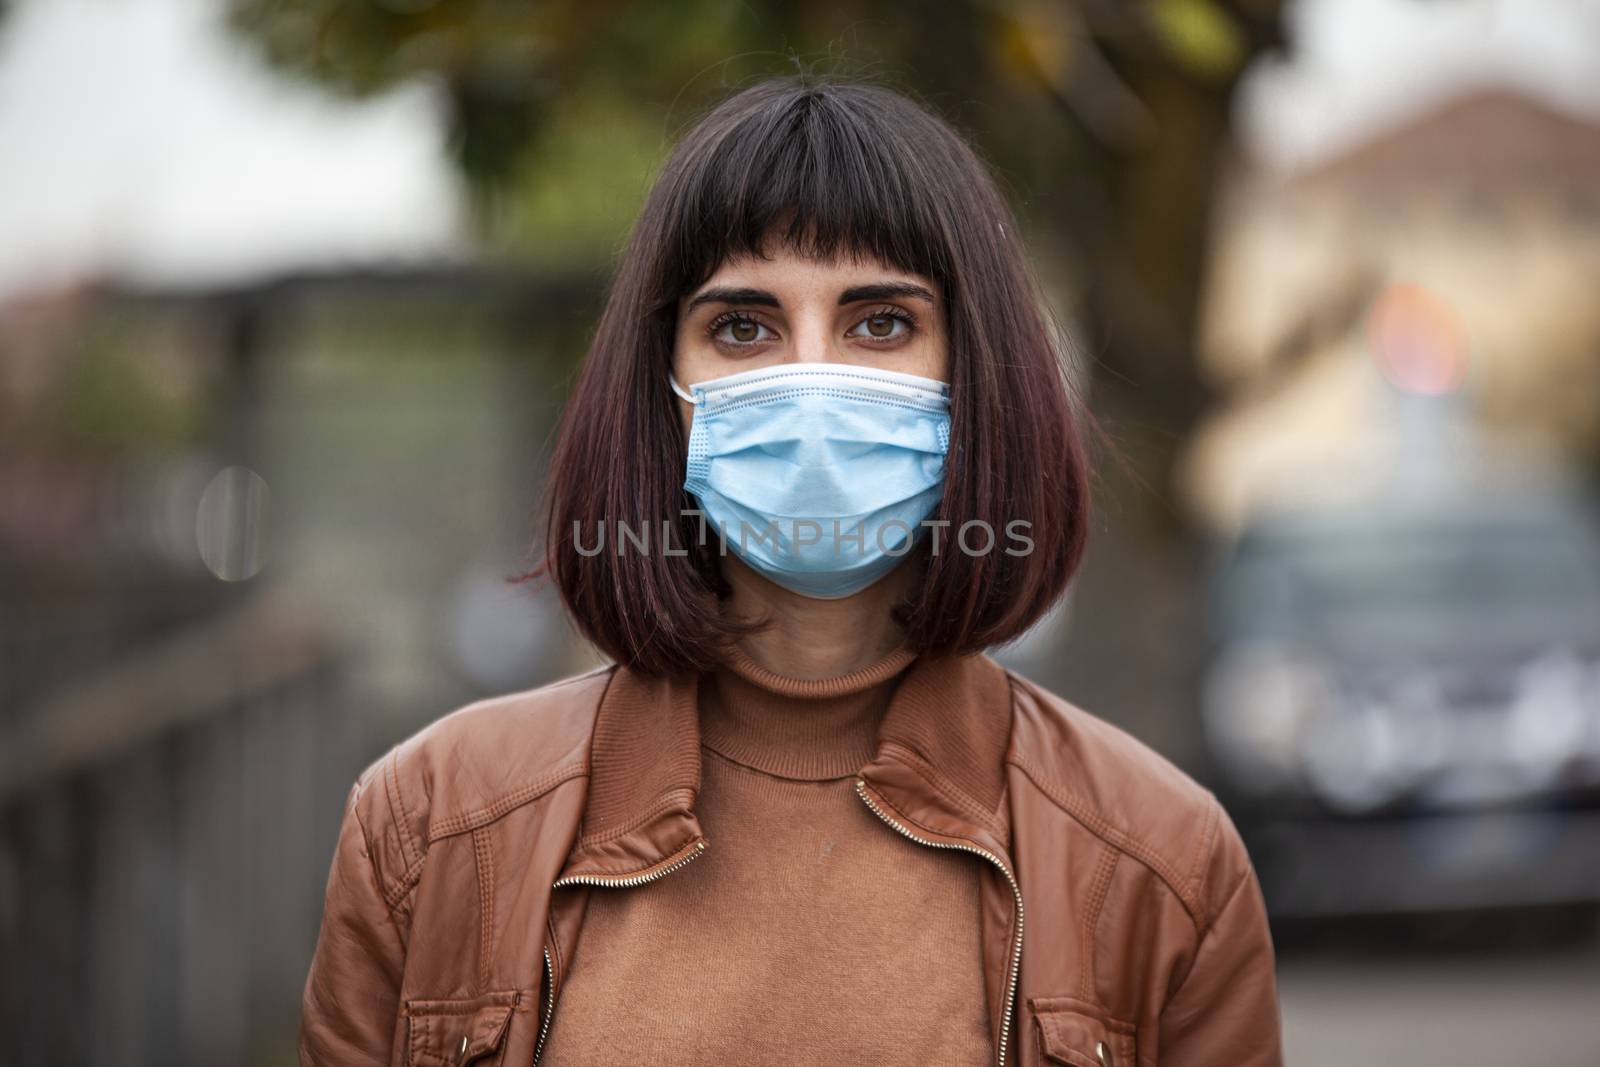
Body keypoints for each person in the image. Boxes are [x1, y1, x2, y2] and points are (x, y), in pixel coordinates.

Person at [299, 76, 1283, 1067]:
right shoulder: (433, 826)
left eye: (880, 323)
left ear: (972, 375)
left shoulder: (1159, 860)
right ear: (663, 388)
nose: (810, 379)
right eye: (742, 326)